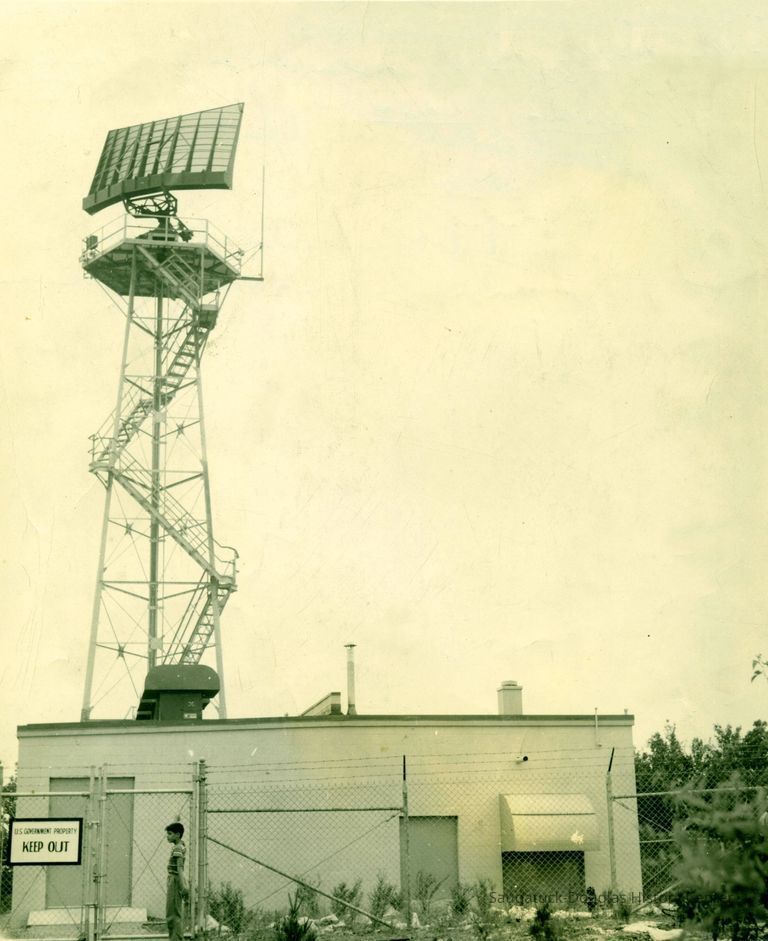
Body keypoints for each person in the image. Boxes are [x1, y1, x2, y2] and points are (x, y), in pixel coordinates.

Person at [165, 822, 188, 941]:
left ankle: (176, 939)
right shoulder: (180, 845)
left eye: (170, 834)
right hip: (173, 879)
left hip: (175, 880)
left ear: (178, 835)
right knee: (173, 913)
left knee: (173, 914)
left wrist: (182, 885)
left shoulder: (178, 848)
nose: (167, 836)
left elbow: (179, 868)